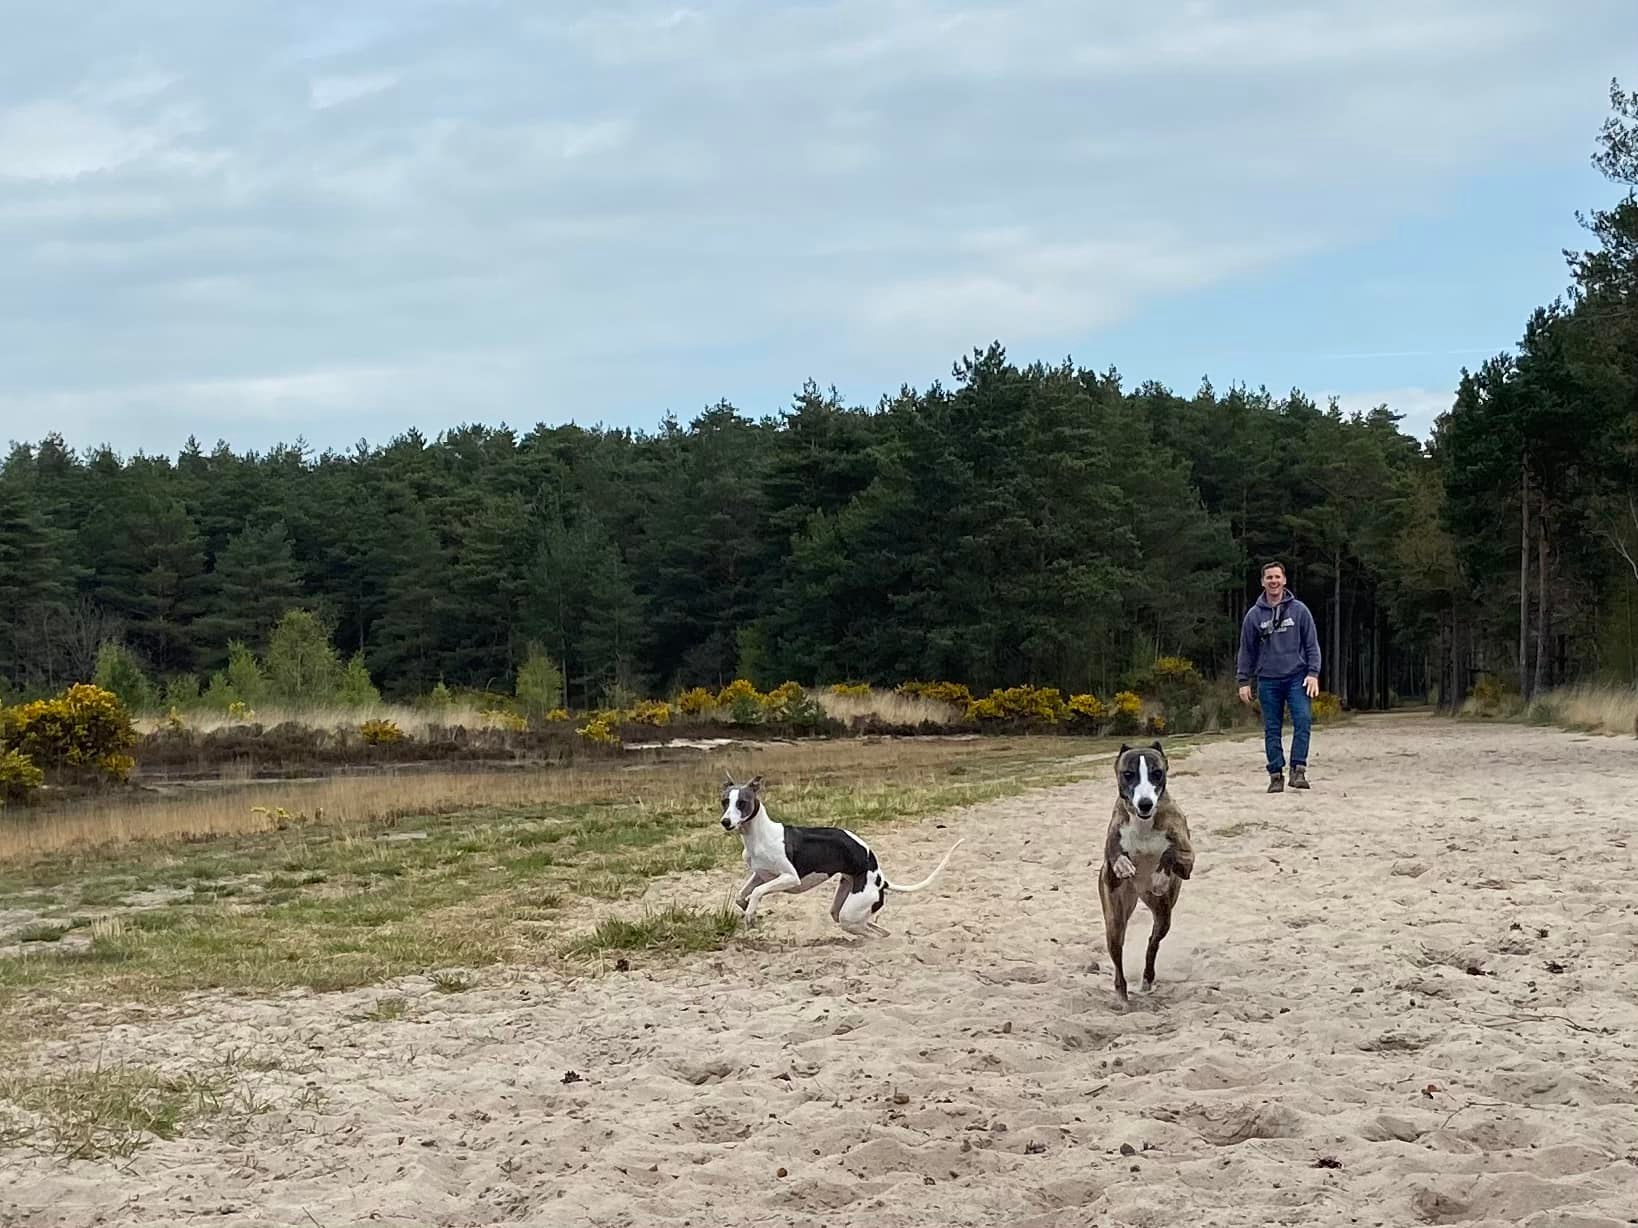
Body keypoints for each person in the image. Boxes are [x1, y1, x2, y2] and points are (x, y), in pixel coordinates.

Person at [1235, 560, 1322, 793]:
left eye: (1277, 577)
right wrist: (1243, 680)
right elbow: (1246, 650)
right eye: (1269, 577)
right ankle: (1275, 774)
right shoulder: (1254, 616)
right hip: (1268, 679)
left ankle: (1298, 770)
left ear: (1284, 580)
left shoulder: (1300, 610)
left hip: (1297, 677)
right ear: (1262, 582)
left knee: (1303, 720)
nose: (1273, 581)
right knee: (1272, 728)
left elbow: (1312, 644)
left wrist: (1313, 673)